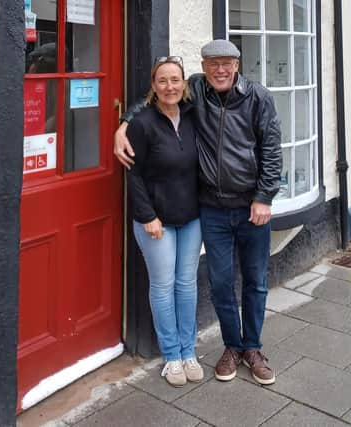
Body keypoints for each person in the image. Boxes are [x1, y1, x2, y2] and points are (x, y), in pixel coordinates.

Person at [115, 40, 282, 385]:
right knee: (220, 284)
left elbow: (271, 151)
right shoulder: (197, 93)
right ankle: (231, 347)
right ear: (203, 68)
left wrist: (265, 196)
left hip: (253, 207)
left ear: (238, 65)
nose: (220, 70)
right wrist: (123, 124)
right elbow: (158, 97)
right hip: (214, 210)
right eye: (212, 64)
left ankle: (252, 348)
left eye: (226, 63)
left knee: (255, 282)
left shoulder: (259, 98)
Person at [126, 56, 204, 387]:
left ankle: (189, 350)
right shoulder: (142, 122)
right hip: (156, 220)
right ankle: (171, 356)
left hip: (191, 217)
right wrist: (147, 216)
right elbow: (133, 173)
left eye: (175, 80)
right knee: (163, 285)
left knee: (187, 284)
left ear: (184, 84)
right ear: (153, 87)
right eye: (163, 81)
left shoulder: (192, 115)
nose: (169, 87)